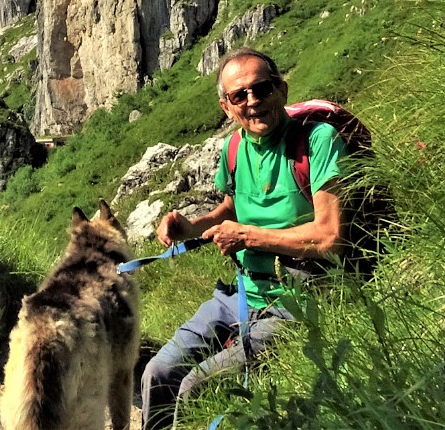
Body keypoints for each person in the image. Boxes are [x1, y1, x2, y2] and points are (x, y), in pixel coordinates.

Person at [140, 47, 347, 429]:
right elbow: (231, 209)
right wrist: (193, 227)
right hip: (241, 293)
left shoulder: (317, 142)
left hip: (300, 300)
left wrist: (249, 237)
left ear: (281, 91)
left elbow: (328, 235)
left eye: (262, 89)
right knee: (158, 373)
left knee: (195, 387)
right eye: (240, 95)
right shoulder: (234, 148)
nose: (253, 102)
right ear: (227, 107)